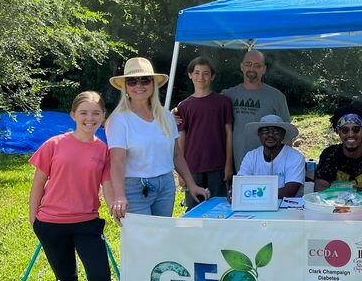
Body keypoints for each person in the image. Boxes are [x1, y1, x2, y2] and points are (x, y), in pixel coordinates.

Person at [28, 91, 116, 281]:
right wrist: (34, 221)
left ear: (103, 117)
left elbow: (108, 186)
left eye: (96, 113)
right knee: (67, 278)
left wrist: (116, 208)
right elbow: (38, 185)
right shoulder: (54, 144)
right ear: (73, 115)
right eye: (84, 113)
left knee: (101, 277)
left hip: (87, 223)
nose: (90, 118)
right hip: (51, 224)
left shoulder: (103, 150)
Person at [106, 57, 209, 218]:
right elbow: (117, 161)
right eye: (132, 81)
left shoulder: (166, 116)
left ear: (153, 84)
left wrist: (192, 185)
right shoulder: (119, 120)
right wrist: (119, 196)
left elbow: (176, 155)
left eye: (145, 80)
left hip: (166, 186)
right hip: (134, 187)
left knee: (162, 238)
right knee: (141, 240)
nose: (139, 86)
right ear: (125, 87)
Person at [175, 56, 233, 208]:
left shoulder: (223, 102)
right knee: (194, 209)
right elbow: (181, 139)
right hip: (192, 167)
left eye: (206, 73)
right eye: (197, 72)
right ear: (190, 75)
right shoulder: (184, 106)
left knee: (218, 207)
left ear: (212, 76)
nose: (201, 77)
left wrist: (228, 164)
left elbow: (229, 134)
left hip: (218, 166)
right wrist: (182, 172)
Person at [222, 50, 290, 170]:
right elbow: (205, 106)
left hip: (268, 165)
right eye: (248, 64)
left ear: (263, 69)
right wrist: (179, 110)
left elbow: (287, 135)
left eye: (257, 65)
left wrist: (285, 164)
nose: (252, 68)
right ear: (241, 66)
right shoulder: (228, 95)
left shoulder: (277, 97)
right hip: (234, 163)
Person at [314, 104, 362, 202]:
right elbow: (320, 188)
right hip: (335, 210)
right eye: (345, 130)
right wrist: (343, 203)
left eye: (356, 129)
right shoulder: (329, 155)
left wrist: (356, 201)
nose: (351, 134)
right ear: (338, 131)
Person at [238, 115, 305, 198]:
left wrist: (249, 193)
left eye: (276, 132)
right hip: (256, 206)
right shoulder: (251, 156)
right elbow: (240, 184)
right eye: (265, 131)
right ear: (259, 134)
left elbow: (289, 192)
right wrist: (234, 192)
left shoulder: (295, 157)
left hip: (288, 209)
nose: (270, 135)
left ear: (283, 135)